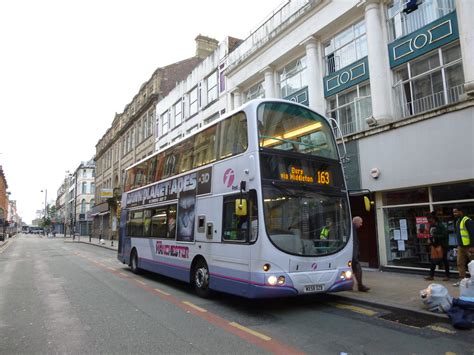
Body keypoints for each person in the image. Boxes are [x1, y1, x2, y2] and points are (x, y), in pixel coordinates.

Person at [424, 212, 450, 281]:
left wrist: (434, 236)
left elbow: (445, 235)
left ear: (434, 219)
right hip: (434, 245)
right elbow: (430, 235)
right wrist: (429, 240)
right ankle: (431, 276)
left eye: (430, 220)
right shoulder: (431, 226)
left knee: (444, 260)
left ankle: (447, 276)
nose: (429, 221)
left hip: (442, 245)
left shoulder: (441, 225)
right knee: (433, 260)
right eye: (428, 220)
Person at [452, 207, 473, 287]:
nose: (454, 214)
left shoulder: (467, 220)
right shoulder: (457, 221)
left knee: (473, 264)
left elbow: (472, 234)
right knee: (460, 263)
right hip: (461, 247)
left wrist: (472, 246)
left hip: (469, 247)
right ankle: (462, 281)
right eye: (454, 212)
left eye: (456, 212)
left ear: (461, 212)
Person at [352, 216, 370, 292]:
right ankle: (360, 286)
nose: (361, 224)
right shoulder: (352, 229)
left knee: (355, 270)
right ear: (356, 222)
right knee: (358, 269)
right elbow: (354, 243)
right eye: (360, 222)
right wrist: (355, 256)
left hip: (353, 255)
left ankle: (358, 285)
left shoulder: (353, 229)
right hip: (352, 256)